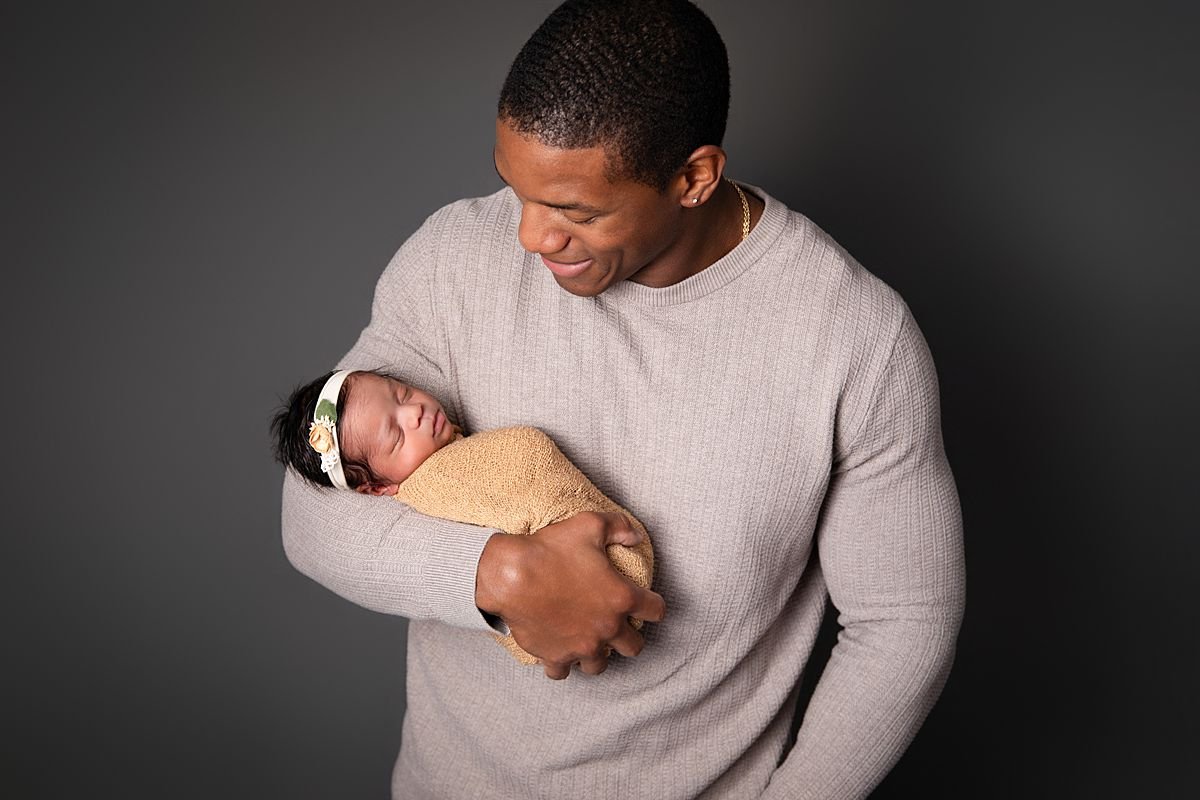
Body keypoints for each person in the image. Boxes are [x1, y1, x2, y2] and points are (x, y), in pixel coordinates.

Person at [279, 1, 966, 797]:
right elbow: (313, 507)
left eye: (574, 211)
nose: (531, 236)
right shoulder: (453, 259)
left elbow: (904, 625)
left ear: (693, 178)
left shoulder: (855, 339)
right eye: (517, 190)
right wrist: (500, 579)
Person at [270, 367, 654, 665]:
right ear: (378, 489)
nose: (415, 412)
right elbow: (523, 460)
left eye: (401, 393)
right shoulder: (435, 484)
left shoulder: (440, 440)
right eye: (397, 437)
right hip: (599, 579)